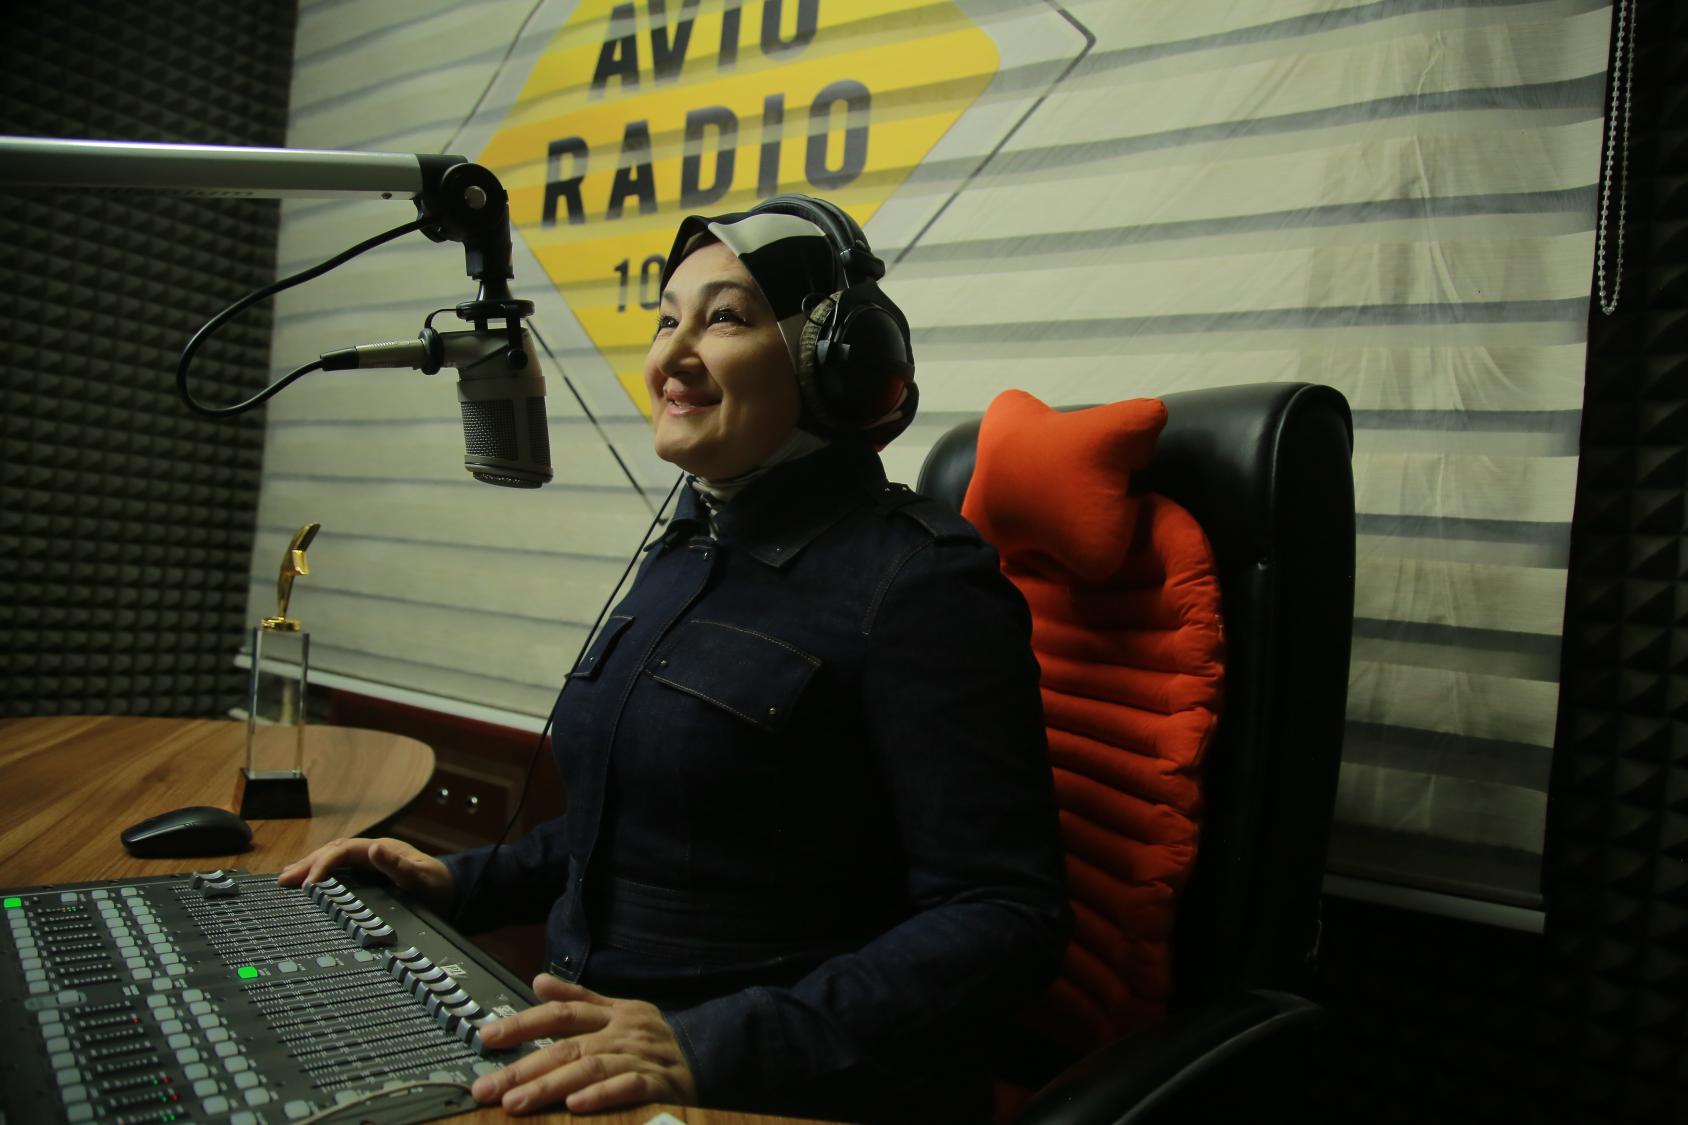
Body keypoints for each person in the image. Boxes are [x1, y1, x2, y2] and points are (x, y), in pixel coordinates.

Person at [279, 195, 1070, 1122]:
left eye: (724, 317)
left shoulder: (920, 583)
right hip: (581, 1059)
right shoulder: (687, 547)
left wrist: (707, 1045)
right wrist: (455, 880)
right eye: (664, 320)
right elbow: (636, 822)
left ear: (839, 363)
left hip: (756, 1092)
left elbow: (1006, 915)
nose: (669, 354)